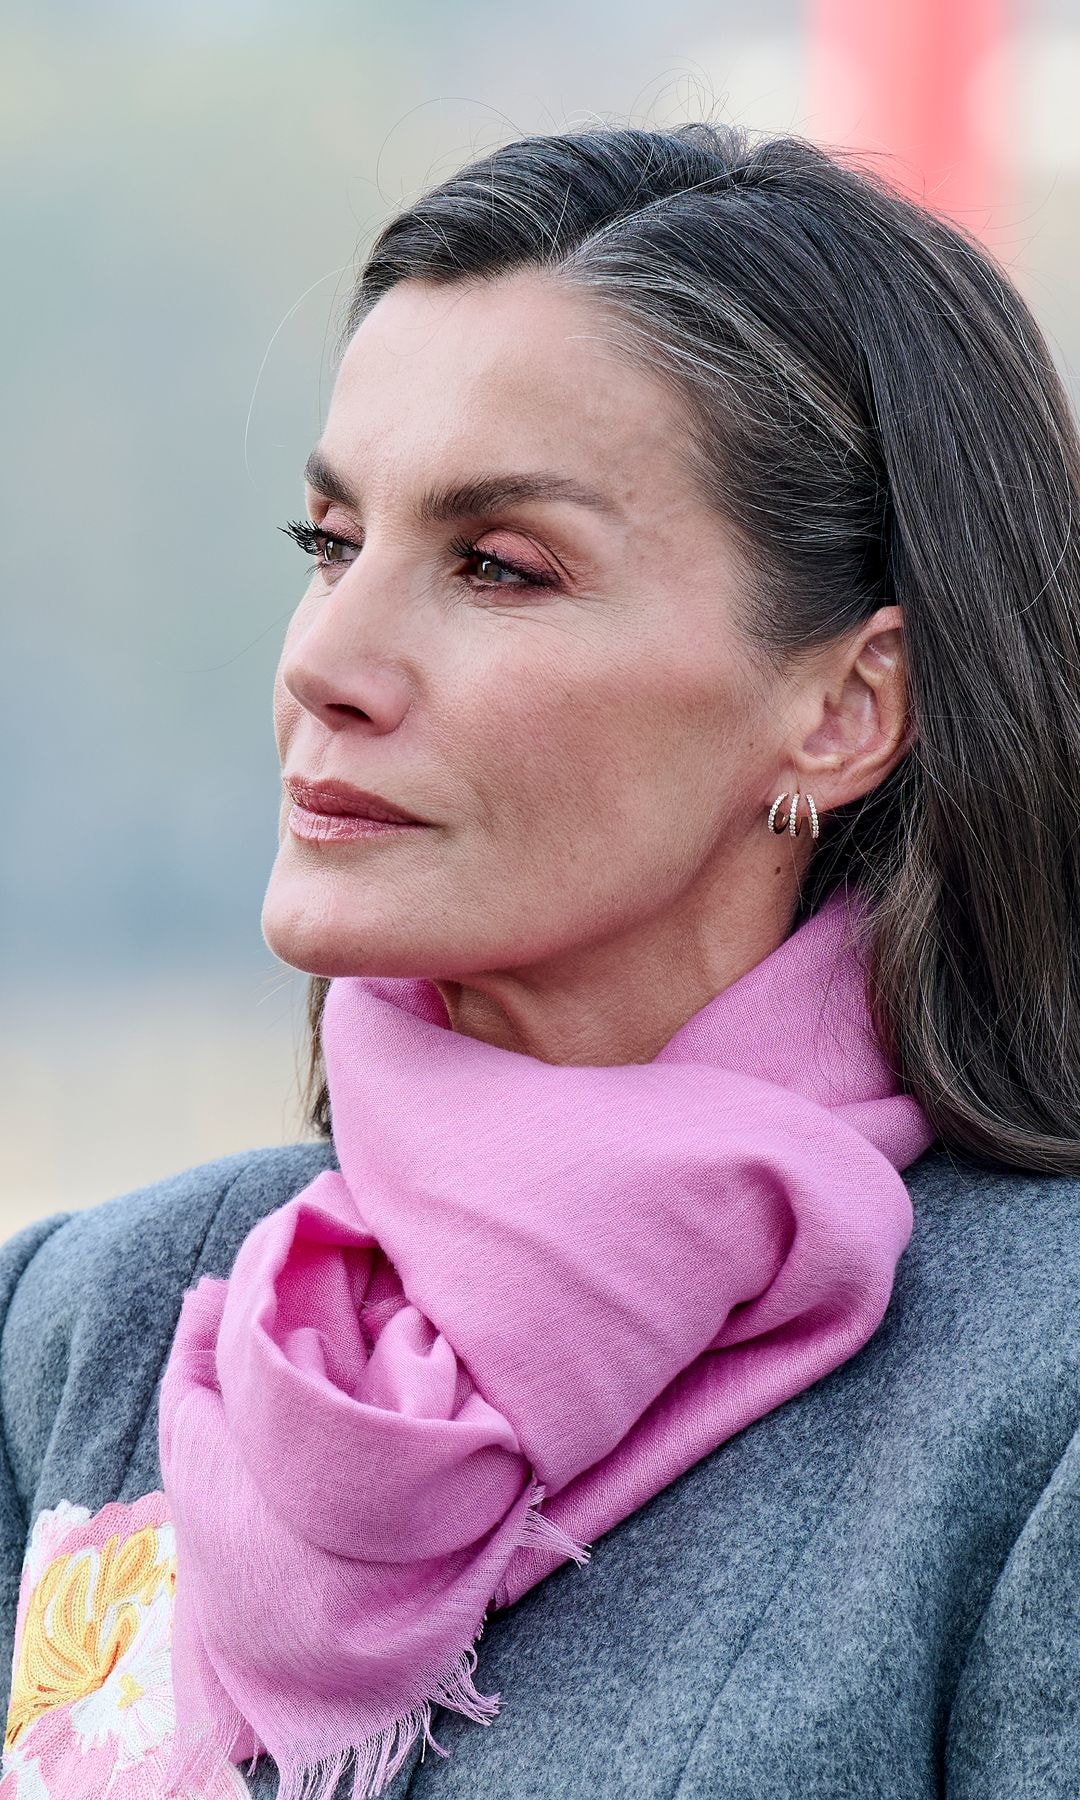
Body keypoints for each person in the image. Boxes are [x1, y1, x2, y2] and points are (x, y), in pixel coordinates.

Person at [0, 121, 1077, 1800]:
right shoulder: (86, 1319)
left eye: (499, 567)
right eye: (330, 545)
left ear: (845, 707)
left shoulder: (1039, 1390)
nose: (329, 662)